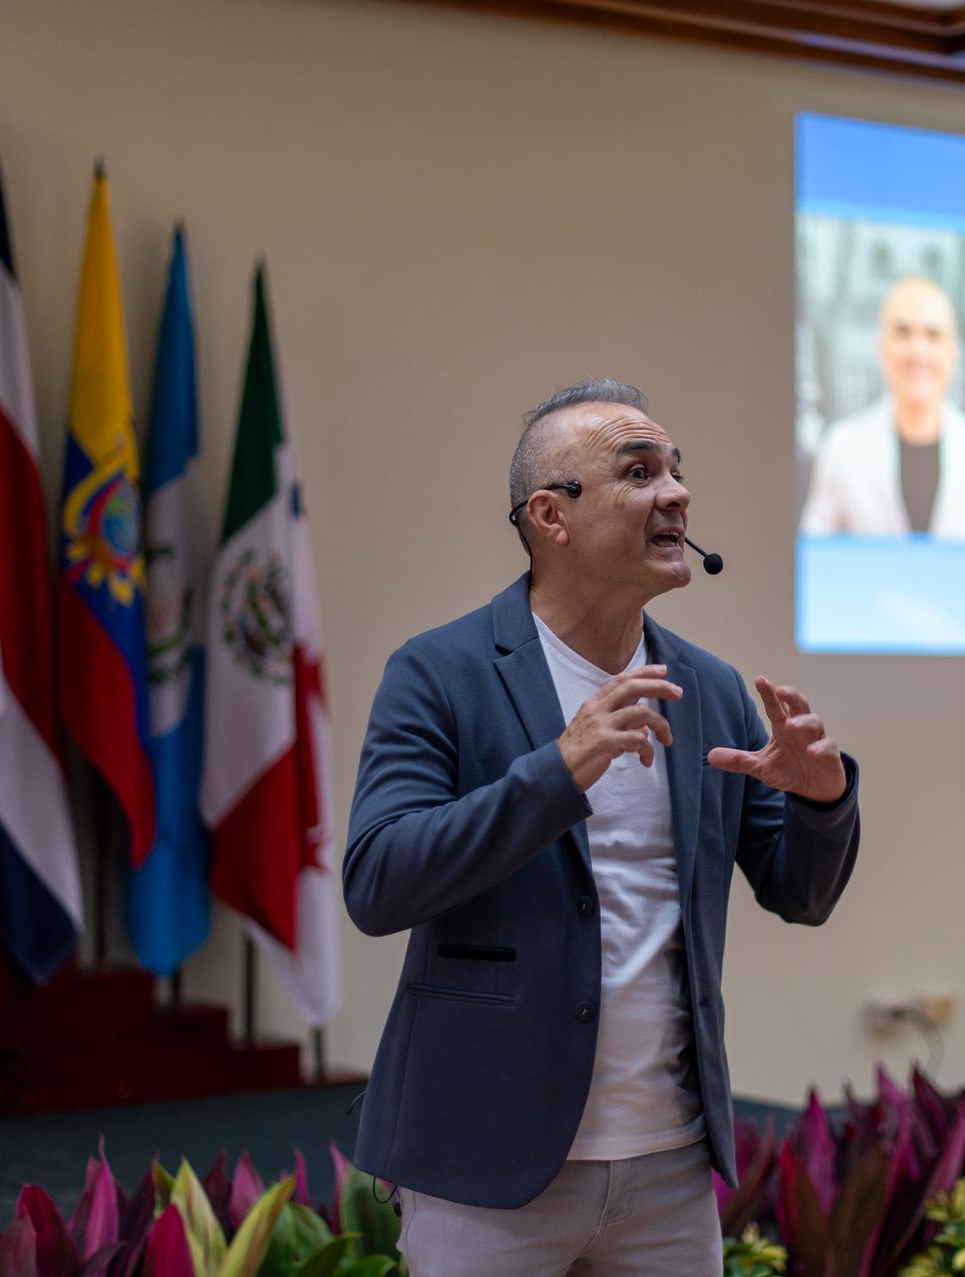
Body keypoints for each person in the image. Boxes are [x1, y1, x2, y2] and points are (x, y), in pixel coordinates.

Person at [343, 379, 862, 1276]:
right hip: (486, 1163)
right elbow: (379, 880)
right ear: (551, 515)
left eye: (676, 470)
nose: (676, 493)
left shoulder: (710, 688)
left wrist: (822, 801)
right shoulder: (440, 672)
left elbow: (800, 894)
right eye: (639, 471)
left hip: (667, 1165)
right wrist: (558, 770)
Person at [800, 275, 965, 543]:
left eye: (933, 335)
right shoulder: (841, 449)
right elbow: (813, 561)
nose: (918, 350)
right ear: (882, 348)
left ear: (953, 353)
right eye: (903, 333)